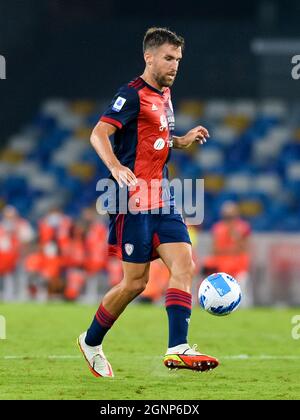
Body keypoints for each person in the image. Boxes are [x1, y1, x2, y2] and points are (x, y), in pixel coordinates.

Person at [77, 27, 219, 377]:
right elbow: (99, 133)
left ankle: (177, 347)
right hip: (130, 199)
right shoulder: (131, 94)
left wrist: (181, 141)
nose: (175, 65)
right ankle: (91, 340)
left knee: (184, 264)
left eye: (179, 60)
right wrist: (115, 166)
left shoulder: (166, 94)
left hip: (162, 196)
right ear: (149, 57)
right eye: (169, 58)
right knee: (135, 283)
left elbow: (155, 139)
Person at [203, 201, 252, 306]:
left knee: (242, 281)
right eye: (227, 217)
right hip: (221, 265)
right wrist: (230, 249)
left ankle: (243, 306)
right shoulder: (218, 228)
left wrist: (235, 237)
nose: (229, 220)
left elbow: (244, 248)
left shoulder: (243, 227)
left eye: (231, 217)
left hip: (238, 266)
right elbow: (215, 249)